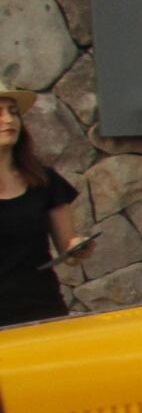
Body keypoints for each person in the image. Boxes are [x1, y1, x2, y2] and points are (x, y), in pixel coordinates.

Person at [0, 88, 89, 325]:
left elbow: (68, 253)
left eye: (13, 112)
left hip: (43, 311)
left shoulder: (44, 181)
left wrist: (77, 248)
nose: (8, 120)